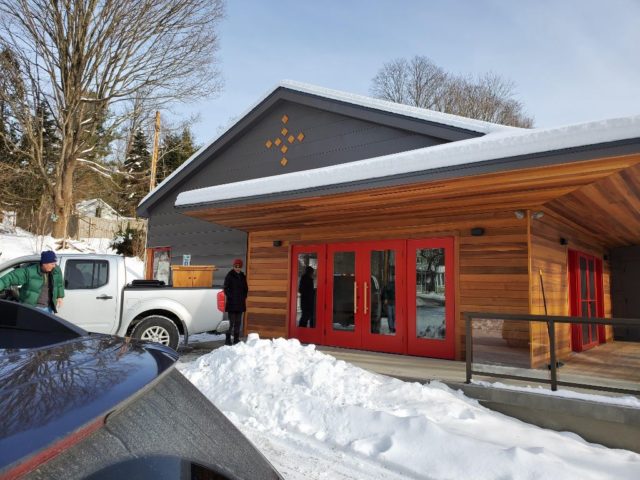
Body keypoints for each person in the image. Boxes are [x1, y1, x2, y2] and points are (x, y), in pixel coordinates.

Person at [0, 250, 64, 314]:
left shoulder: (56, 270)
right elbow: (9, 278)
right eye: (52, 264)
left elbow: (59, 283)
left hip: (50, 308)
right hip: (33, 308)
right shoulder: (30, 272)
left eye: (55, 263)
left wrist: (60, 296)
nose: (54, 266)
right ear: (44, 263)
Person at [223, 258, 248, 345]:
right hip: (232, 303)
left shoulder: (242, 276)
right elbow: (226, 288)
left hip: (240, 303)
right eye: (236, 266)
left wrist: (243, 296)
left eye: (239, 266)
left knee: (238, 322)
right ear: (233, 266)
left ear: (241, 267)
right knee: (231, 322)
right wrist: (231, 297)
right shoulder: (229, 275)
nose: (237, 268)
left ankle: (236, 339)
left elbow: (245, 288)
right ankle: (228, 339)